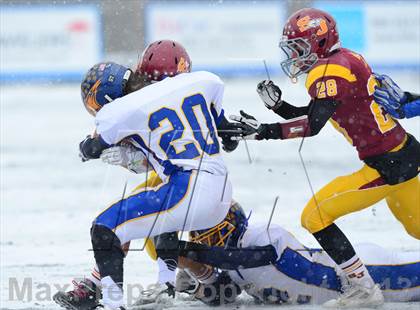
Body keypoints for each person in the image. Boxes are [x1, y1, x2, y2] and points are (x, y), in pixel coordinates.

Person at [229, 7, 420, 308]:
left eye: (299, 48)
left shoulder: (329, 70)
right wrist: (279, 108)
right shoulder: (343, 59)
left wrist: (262, 131)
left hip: (387, 166)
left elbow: (312, 125)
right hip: (404, 153)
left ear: (319, 41)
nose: (294, 56)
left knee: (314, 216)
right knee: (417, 228)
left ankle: (363, 288)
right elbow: (318, 112)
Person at [57, 51, 245, 308]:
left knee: (105, 227)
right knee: (146, 210)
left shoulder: (123, 109)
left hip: (190, 189)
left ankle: (113, 302)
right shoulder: (202, 81)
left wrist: (88, 147)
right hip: (219, 186)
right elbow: (212, 128)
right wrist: (131, 156)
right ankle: (176, 281)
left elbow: (89, 149)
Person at [135, 202, 420, 307]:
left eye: (202, 231)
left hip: (365, 275)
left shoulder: (259, 236)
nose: (198, 237)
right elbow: (225, 296)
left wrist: (190, 250)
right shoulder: (227, 260)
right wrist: (196, 272)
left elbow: (255, 259)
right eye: (195, 234)